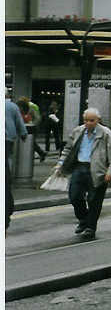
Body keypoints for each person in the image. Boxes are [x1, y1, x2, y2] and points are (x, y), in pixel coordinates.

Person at [53, 108, 111, 239]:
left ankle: (91, 227)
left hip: (98, 170)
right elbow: (68, 149)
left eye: (91, 120)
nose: (88, 123)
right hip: (79, 167)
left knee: (94, 200)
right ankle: (84, 220)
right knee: (74, 196)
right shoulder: (78, 131)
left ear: (98, 120)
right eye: (86, 120)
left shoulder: (105, 133)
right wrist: (60, 164)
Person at [5, 90, 28, 229]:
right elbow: (20, 123)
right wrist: (24, 134)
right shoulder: (12, 106)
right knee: (6, 163)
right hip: (7, 140)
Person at [17, 97, 46, 162]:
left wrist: (32, 125)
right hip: (29, 126)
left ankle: (40, 153)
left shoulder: (31, 107)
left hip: (31, 127)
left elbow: (37, 118)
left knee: (31, 142)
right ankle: (41, 153)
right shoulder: (28, 107)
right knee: (31, 142)